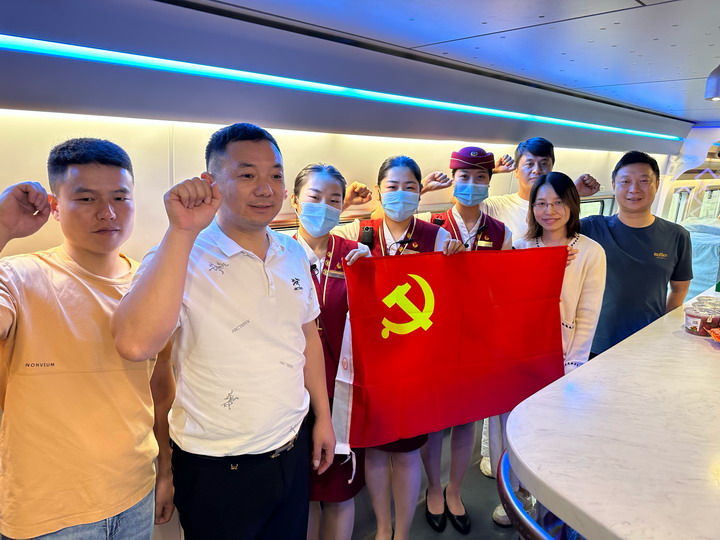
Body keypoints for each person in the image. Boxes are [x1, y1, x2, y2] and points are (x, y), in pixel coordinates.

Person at [112, 123, 335, 540]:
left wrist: (322, 416)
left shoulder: (291, 251)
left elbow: (306, 338)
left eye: (275, 175)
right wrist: (182, 230)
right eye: (247, 174)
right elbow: (135, 343)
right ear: (211, 182)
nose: (265, 188)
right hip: (217, 466)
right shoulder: (180, 254)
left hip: (292, 446)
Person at [0, 138, 173, 539]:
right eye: (86, 199)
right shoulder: (18, 276)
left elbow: (160, 391)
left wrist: (165, 471)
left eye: (120, 197)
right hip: (48, 512)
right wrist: (3, 228)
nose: (107, 213)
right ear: (55, 206)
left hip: (135, 493)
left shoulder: (151, 286)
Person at [333, 155, 464, 540]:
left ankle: (402, 532)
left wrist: (457, 262)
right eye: (392, 187)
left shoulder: (436, 237)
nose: (401, 194)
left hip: (413, 365)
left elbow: (452, 297)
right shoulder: (358, 232)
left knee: (407, 454)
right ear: (378, 191)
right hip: (368, 362)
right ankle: (383, 527)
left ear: (421, 192)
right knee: (374, 451)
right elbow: (317, 246)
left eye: (410, 187)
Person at [414, 147, 511, 535]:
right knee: (434, 420)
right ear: (453, 180)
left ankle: (455, 490)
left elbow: (503, 288)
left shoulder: (500, 232)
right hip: (433, 338)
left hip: (475, 338)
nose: (472, 185)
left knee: (466, 419)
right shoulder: (430, 224)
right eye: (464, 177)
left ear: (489, 182)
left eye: (480, 178)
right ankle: (433, 489)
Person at [289, 163, 369, 540]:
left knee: (339, 493)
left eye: (334, 200)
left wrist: (371, 278)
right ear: (295, 201)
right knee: (301, 496)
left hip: (343, 393)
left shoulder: (355, 255)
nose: (324, 207)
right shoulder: (277, 254)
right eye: (314, 197)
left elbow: (377, 325)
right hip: (291, 396)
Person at [581, 151, 692, 356]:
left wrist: (663, 326)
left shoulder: (677, 235)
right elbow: (542, 227)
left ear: (657, 184)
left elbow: (679, 289)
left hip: (648, 342)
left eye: (644, 181)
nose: (634, 189)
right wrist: (574, 193)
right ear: (614, 185)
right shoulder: (591, 227)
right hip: (594, 343)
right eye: (625, 181)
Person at [514, 172, 606, 372]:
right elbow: (513, 305)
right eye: (541, 203)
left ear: (572, 204)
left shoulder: (591, 251)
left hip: (564, 356)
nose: (550, 211)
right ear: (532, 207)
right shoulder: (519, 247)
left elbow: (587, 315)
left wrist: (573, 366)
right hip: (520, 353)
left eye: (558, 202)